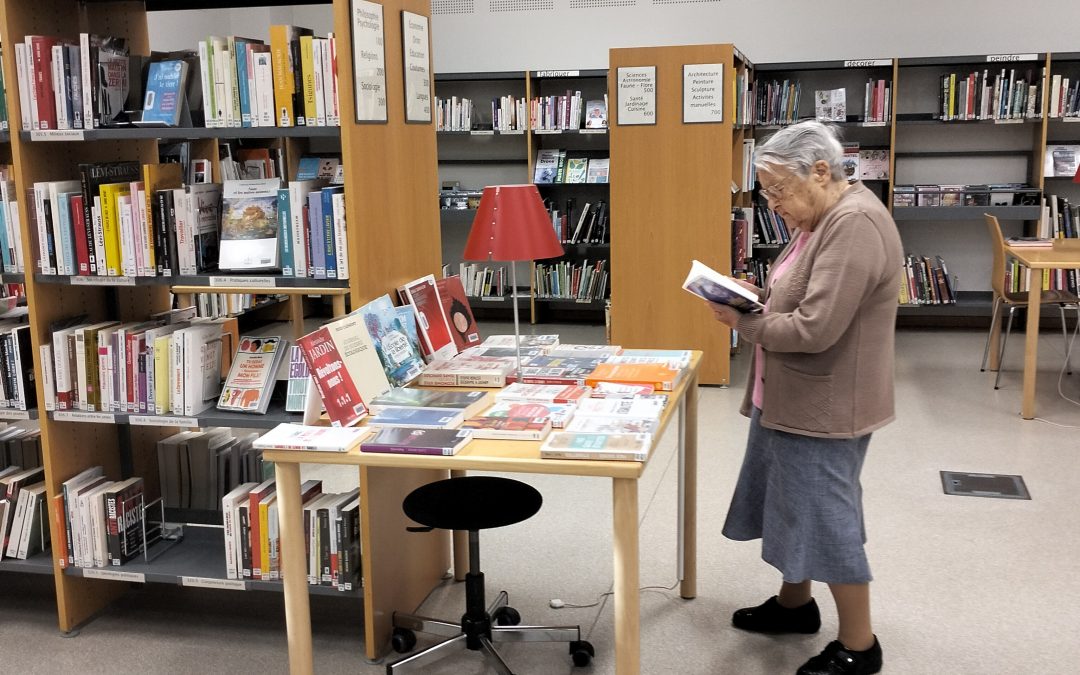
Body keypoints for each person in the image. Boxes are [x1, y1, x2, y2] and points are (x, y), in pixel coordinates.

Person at [710, 120, 902, 675]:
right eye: (765, 193)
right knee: (790, 504)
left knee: (825, 515)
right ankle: (795, 606)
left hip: (825, 404)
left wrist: (743, 320)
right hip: (790, 396)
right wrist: (754, 295)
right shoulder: (820, 218)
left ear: (821, 171)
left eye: (779, 191)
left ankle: (861, 648)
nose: (773, 205)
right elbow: (796, 292)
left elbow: (815, 329)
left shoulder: (855, 223)